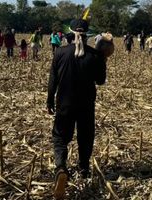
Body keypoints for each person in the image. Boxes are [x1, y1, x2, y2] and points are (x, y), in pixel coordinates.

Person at [47, 18, 107, 199]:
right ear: (87, 35)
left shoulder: (60, 53)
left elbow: (53, 80)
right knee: (85, 136)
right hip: (86, 104)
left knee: (60, 136)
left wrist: (50, 100)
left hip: (64, 103)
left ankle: (61, 167)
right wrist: (102, 58)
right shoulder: (94, 55)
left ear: (70, 33)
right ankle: (84, 169)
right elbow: (101, 81)